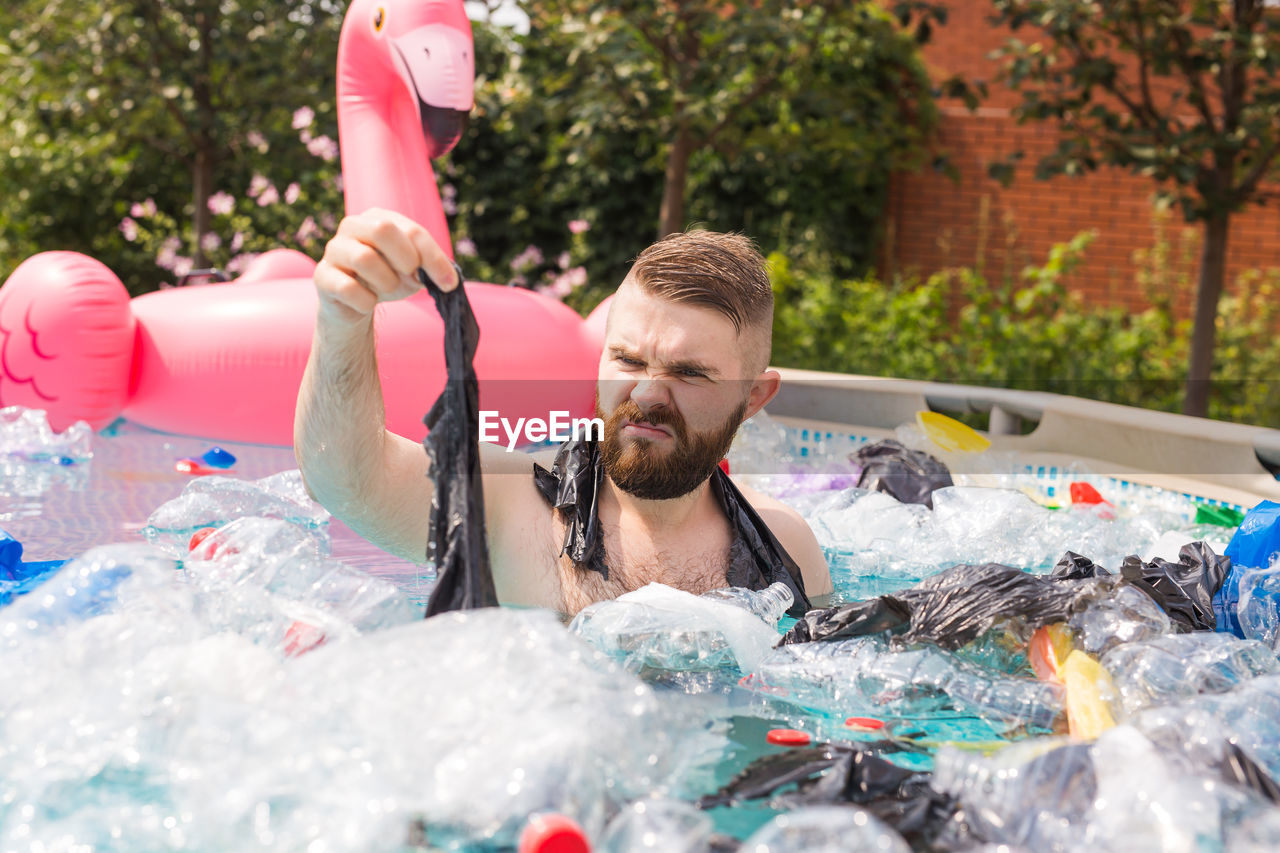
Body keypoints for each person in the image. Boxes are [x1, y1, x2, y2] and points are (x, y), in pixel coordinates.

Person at [295, 208, 833, 615]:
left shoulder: (784, 547)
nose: (646, 395)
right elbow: (344, 477)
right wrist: (342, 317)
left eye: (689, 373)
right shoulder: (509, 506)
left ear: (754, 398)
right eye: (626, 358)